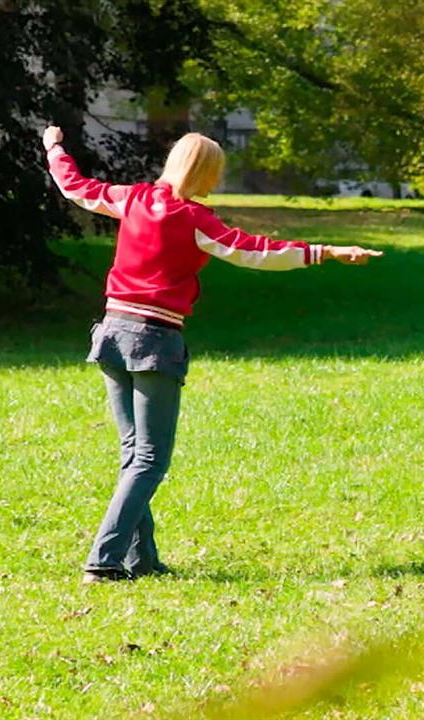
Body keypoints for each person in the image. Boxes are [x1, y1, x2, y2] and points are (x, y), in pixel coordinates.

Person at [42, 126, 382, 583]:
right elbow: (255, 252)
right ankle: (103, 562)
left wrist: (54, 148)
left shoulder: (133, 199)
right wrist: (325, 252)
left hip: (111, 333)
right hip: (154, 341)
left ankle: (141, 560)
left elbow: (75, 188)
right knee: (149, 460)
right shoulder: (196, 219)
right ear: (205, 173)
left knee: (133, 455)